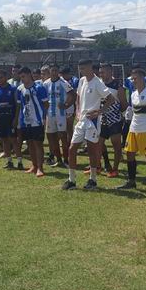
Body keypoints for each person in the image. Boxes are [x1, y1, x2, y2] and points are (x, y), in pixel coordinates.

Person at [62, 59, 115, 191]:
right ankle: (71, 180)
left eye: (84, 68)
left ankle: (93, 180)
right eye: (80, 69)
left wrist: (100, 111)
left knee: (92, 150)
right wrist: (78, 111)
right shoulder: (81, 81)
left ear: (90, 68)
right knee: (72, 148)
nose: (81, 71)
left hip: (92, 121)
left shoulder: (98, 83)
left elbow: (111, 99)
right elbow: (79, 97)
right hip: (82, 120)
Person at [118, 67, 146, 194]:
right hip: (133, 129)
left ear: (143, 79)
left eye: (135, 78)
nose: (133, 81)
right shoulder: (133, 94)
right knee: (129, 154)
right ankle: (131, 181)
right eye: (132, 79)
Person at [15, 67, 49, 177]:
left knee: (38, 144)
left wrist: (43, 117)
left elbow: (45, 104)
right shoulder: (20, 89)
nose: (22, 79)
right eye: (20, 77)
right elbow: (19, 105)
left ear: (29, 75)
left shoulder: (39, 88)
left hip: (37, 121)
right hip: (26, 121)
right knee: (29, 143)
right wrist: (18, 120)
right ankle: (34, 165)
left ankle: (40, 167)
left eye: (23, 76)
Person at [43, 64, 74, 167]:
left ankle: (66, 160)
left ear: (58, 72)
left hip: (60, 114)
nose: (54, 72)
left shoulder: (63, 83)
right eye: (52, 70)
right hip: (50, 114)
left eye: (56, 70)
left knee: (63, 137)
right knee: (52, 138)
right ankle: (58, 159)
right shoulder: (46, 83)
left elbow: (73, 94)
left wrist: (66, 105)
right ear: (50, 71)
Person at [98, 63, 126, 178]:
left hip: (115, 118)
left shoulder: (117, 85)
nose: (101, 75)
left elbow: (124, 103)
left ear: (110, 72)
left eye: (103, 72)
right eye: (100, 72)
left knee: (116, 144)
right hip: (102, 118)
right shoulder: (99, 84)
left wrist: (116, 113)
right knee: (99, 143)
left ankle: (115, 168)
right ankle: (105, 164)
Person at [0, 69, 18, 169]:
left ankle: (19, 162)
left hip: (11, 118)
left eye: (1, 77)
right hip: (0, 118)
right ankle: (9, 161)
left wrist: (16, 118)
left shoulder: (13, 89)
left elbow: (17, 105)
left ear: (6, 77)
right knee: (4, 140)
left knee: (14, 140)